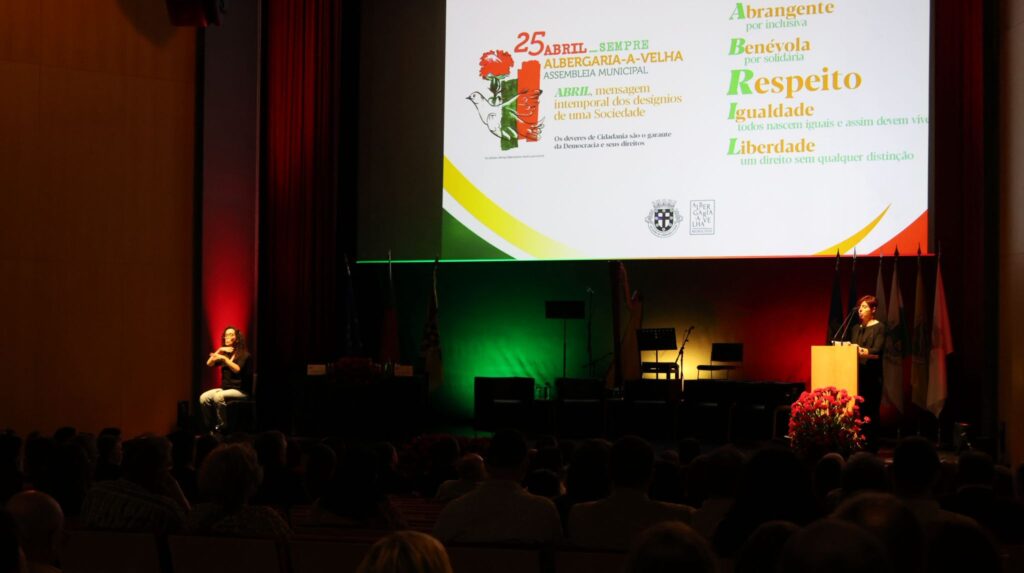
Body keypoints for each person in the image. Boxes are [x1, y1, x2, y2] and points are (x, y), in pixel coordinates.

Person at [199, 326, 252, 433]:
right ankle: (209, 427)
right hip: (226, 389)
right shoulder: (225, 354)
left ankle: (223, 427)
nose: (227, 337)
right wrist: (220, 350)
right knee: (203, 397)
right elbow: (209, 363)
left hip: (241, 390)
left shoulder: (244, 355)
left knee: (218, 396)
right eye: (226, 335)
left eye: (230, 334)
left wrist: (224, 358)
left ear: (237, 339)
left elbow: (237, 369)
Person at [850, 295, 884, 449]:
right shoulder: (855, 329)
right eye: (860, 307)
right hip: (856, 376)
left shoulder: (879, 327)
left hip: (872, 376)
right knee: (859, 410)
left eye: (864, 307)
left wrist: (860, 350)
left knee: (871, 410)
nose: (860, 310)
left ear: (873, 309)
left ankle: (872, 445)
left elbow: (877, 350)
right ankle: (857, 443)